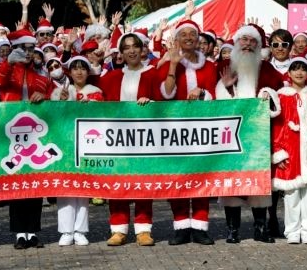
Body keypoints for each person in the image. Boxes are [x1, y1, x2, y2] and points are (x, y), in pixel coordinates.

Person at [216, 24, 283, 244]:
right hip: (230, 135)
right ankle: (232, 230)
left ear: (259, 45)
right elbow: (212, 104)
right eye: (244, 39)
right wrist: (224, 86)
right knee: (231, 181)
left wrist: (267, 94)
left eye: (252, 41)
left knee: (258, 181)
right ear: (236, 42)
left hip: (257, 137)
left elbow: (278, 94)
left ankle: (260, 229)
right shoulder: (224, 66)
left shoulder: (268, 69)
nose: (247, 44)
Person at [0, 28, 55, 249]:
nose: (28, 53)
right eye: (24, 49)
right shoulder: (6, 70)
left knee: (35, 184)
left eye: (31, 49)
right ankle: (19, 233)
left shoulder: (41, 75)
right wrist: (8, 62)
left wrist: (44, 96)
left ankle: (33, 232)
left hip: (36, 135)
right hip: (12, 135)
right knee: (16, 184)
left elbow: (52, 97)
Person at [160, 20, 218, 245]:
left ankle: (200, 226)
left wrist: (202, 92)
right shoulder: (168, 62)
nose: (188, 38)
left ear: (198, 39)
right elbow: (166, 94)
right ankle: (181, 226)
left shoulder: (210, 66)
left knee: (202, 176)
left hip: (202, 130)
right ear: (176, 39)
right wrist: (173, 65)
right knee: (178, 177)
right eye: (183, 34)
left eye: (192, 34)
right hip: (175, 130)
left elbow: (215, 96)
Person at [99, 32, 158, 247]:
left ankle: (143, 229)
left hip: (144, 139)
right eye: (126, 47)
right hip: (117, 139)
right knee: (117, 183)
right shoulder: (112, 77)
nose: (131, 51)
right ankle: (118, 228)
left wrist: (151, 102)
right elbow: (92, 89)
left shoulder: (153, 74)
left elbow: (165, 100)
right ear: (121, 53)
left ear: (142, 50)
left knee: (143, 182)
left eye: (135, 46)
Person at [272, 57, 307, 244]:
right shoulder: (281, 96)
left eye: (303, 69)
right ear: (289, 73)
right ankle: (292, 231)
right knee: (291, 194)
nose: (299, 72)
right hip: (291, 151)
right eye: (295, 69)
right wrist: (278, 152)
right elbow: (276, 127)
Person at [52, 56, 103, 246]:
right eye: (75, 69)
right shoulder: (60, 92)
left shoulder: (96, 92)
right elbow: (53, 118)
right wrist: (62, 102)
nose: (79, 72)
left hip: (87, 145)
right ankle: (66, 231)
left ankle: (80, 230)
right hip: (65, 144)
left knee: (83, 186)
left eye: (83, 68)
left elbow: (101, 117)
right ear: (69, 72)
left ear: (88, 72)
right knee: (65, 186)